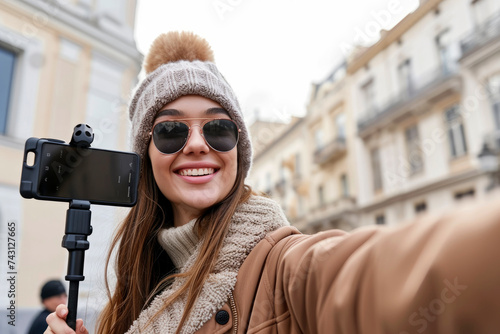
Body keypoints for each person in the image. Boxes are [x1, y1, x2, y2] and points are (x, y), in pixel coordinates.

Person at [45, 31, 500, 334]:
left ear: (238, 150)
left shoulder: (283, 266)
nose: (198, 144)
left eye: (219, 128)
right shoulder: (133, 293)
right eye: (170, 130)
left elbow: (382, 274)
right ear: (146, 156)